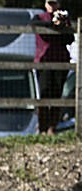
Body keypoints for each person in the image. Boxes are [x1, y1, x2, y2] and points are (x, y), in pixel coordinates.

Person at [30, 0, 73, 134]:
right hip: (44, 60)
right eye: (50, 3)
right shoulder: (39, 17)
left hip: (60, 61)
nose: (52, 6)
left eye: (54, 3)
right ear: (45, 4)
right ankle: (42, 127)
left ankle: (52, 127)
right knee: (44, 93)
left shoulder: (65, 19)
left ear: (59, 5)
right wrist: (53, 25)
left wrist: (62, 26)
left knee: (56, 94)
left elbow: (70, 38)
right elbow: (34, 25)